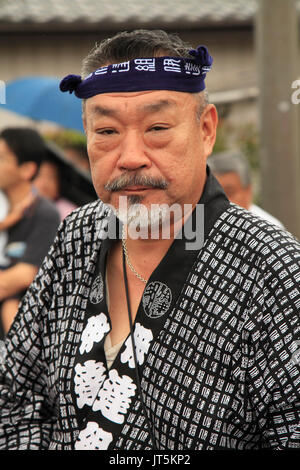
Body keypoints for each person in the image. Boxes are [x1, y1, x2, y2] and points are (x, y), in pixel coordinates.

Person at [0, 30, 299, 451]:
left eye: (157, 127)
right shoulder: (77, 234)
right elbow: (16, 397)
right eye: (106, 132)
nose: (130, 156)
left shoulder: (273, 268)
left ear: (206, 130)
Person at [0, 127, 60, 338]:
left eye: (2, 158)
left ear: (26, 169)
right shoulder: (3, 209)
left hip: (14, 337)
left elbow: (23, 276)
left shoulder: (45, 215)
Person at [207, 150, 284, 227]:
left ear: (248, 192)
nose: (221, 201)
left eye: (229, 192)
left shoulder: (270, 229)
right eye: (215, 193)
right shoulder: (200, 225)